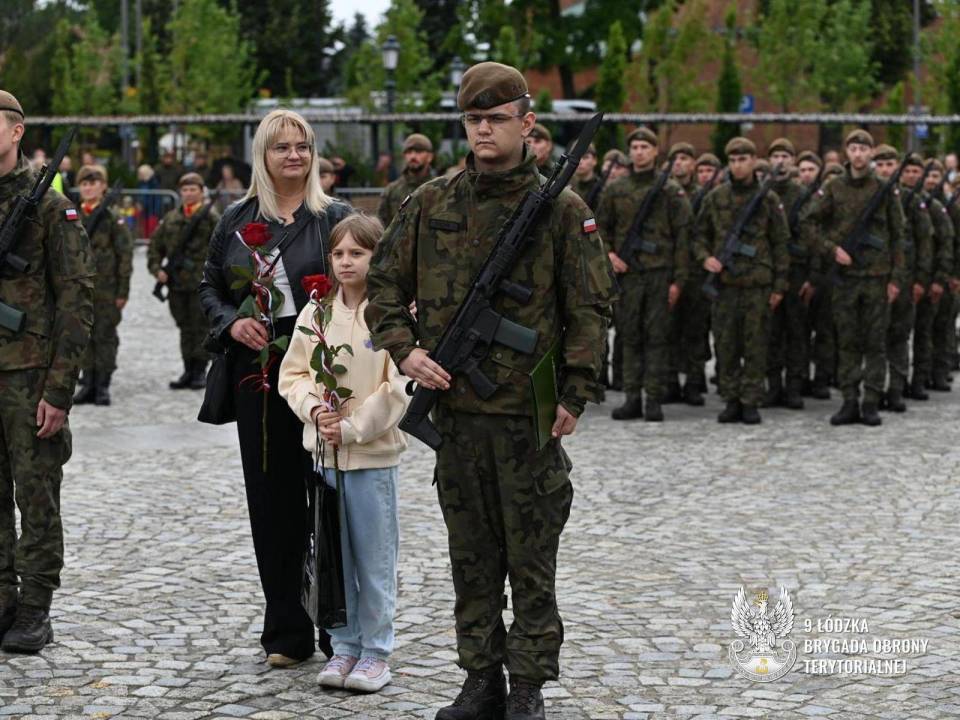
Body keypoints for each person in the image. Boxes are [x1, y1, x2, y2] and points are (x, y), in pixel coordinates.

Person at [365, 62, 614, 720]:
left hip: (528, 415)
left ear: (527, 124)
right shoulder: (431, 202)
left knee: (531, 557)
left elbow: (590, 308)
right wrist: (406, 351)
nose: (483, 130)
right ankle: (480, 678)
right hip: (457, 416)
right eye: (473, 119)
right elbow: (381, 284)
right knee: (471, 559)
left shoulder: (562, 211)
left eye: (496, 119)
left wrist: (576, 394)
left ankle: (527, 684)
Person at [199, 109, 353, 668]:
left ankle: (339, 629)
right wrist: (231, 323)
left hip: (324, 367)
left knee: (331, 499)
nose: (294, 155)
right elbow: (209, 286)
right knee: (271, 499)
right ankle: (286, 629)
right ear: (262, 156)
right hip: (257, 371)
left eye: (303, 146)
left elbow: (366, 283)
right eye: (281, 147)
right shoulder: (235, 219)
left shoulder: (335, 217)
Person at [279, 213, 408, 694]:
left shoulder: (391, 315)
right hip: (326, 457)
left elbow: (398, 386)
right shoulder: (316, 314)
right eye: (338, 253)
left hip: (371, 458)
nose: (346, 261)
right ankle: (344, 644)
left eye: (357, 252)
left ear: (377, 256)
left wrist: (353, 428)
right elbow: (293, 374)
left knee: (374, 558)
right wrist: (315, 411)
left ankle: (376, 651)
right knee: (335, 556)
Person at [0, 90, 94, 653]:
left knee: (36, 497)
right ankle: (2, 601)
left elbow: (77, 300)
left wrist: (59, 390)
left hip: (30, 376)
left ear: (16, 131)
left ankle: (35, 607)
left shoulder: (50, 208)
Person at [800, 130, 905, 426]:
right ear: (847, 152)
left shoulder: (884, 189)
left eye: (863, 149)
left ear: (871, 153)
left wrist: (896, 279)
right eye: (853, 148)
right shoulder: (834, 187)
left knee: (875, 343)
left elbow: (899, 236)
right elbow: (807, 222)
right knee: (846, 341)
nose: (858, 154)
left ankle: (871, 401)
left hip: (877, 277)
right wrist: (831, 250)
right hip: (845, 279)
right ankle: (849, 400)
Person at [597, 127, 692, 421]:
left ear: (655, 151)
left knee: (656, 338)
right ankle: (632, 397)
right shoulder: (615, 189)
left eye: (644, 147)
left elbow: (683, 238)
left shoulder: (670, 190)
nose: (639, 152)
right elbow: (599, 229)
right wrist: (609, 255)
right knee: (629, 335)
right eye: (635, 147)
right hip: (628, 276)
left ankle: (653, 398)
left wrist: (679, 281)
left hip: (659, 274)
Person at [694, 137, 789, 425]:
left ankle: (750, 400)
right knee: (726, 345)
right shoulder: (716, 197)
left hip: (757, 285)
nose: (738, 165)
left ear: (754, 161)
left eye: (743, 159)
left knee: (755, 345)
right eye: (733, 160)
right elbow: (699, 235)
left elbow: (780, 243)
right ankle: (731, 398)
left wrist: (779, 285)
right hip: (725, 285)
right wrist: (705, 258)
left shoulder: (768, 199)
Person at [148, 172, 221, 389]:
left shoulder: (211, 218)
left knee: (201, 327)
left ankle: (200, 370)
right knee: (185, 327)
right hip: (177, 284)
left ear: (201, 192)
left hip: (202, 284)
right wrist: (157, 270)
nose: (188, 193)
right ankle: (188, 369)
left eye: (193, 189)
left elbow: (222, 249)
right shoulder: (171, 219)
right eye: (185, 190)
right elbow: (155, 247)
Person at [874, 148, 932, 413]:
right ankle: (873, 390)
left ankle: (896, 389)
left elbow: (925, 242)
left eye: (889, 164)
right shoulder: (866, 197)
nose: (885, 170)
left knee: (899, 335)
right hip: (871, 278)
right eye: (880, 165)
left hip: (904, 279)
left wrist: (921, 279)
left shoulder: (910, 199)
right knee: (873, 338)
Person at [71, 164, 133, 407]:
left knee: (105, 335)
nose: (88, 188)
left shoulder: (111, 217)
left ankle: (103, 384)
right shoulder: (71, 215)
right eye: (84, 184)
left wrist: (123, 291)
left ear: (103, 186)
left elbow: (124, 255)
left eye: (93, 183)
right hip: (77, 288)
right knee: (82, 335)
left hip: (106, 288)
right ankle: (87, 381)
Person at [763, 137, 813, 410]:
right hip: (767, 271)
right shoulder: (762, 192)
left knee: (796, 331)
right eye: (775, 156)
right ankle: (773, 386)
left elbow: (812, 235)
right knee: (771, 332)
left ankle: (794, 386)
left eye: (785, 156)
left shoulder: (802, 194)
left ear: (793, 161)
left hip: (796, 272)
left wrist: (811, 276)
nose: (780, 161)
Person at [913, 160, 955, 394]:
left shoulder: (942, 207)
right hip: (916, 273)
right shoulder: (912, 201)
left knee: (938, 327)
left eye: (935, 176)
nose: (930, 180)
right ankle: (918, 377)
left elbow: (950, 243)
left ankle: (936, 372)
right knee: (920, 329)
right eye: (927, 176)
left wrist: (946, 276)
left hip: (939, 273)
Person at [795, 150, 834, 399]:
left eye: (811, 170)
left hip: (825, 272)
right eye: (802, 170)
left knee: (824, 330)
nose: (807, 174)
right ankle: (799, 378)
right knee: (799, 330)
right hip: (799, 271)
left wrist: (816, 276)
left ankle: (821, 378)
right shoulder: (794, 197)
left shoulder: (826, 198)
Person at [377, 134, 435, 227]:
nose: (413, 156)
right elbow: (381, 225)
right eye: (409, 152)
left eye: (418, 151)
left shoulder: (440, 188)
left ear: (430, 157)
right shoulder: (392, 190)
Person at [136, 163, 161, 237]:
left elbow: (152, 197)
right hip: (144, 211)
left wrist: (143, 204)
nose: (139, 175)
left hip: (152, 211)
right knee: (144, 231)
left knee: (151, 232)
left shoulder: (153, 183)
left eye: (141, 173)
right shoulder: (141, 183)